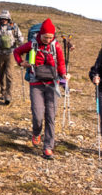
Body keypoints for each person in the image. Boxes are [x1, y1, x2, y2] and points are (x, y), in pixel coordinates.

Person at [13, 18, 66, 160]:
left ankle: (48, 147)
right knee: (37, 115)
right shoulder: (33, 44)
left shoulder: (56, 46)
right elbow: (17, 52)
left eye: (50, 37)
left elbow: (61, 63)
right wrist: (21, 63)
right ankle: (36, 132)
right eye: (45, 37)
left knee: (50, 116)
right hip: (36, 83)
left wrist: (64, 75)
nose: (48, 40)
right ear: (40, 34)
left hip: (52, 84)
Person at [0, 9, 24, 105]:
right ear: (0, 18)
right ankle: (3, 91)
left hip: (11, 53)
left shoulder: (14, 26)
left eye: (6, 18)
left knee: (9, 74)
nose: (4, 20)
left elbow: (20, 37)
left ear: (9, 19)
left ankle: (8, 95)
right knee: (1, 73)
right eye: (2, 18)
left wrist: (20, 42)